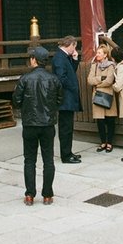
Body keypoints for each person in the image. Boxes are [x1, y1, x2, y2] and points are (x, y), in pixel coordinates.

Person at [12, 46, 62, 206]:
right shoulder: (54, 79)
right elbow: (59, 99)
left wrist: (26, 108)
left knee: (29, 160)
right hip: (47, 123)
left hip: (30, 123)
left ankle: (30, 194)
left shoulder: (25, 79)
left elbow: (16, 100)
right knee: (48, 160)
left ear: (34, 60)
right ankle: (47, 195)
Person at [52, 35, 82, 163]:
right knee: (65, 128)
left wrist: (75, 59)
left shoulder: (64, 57)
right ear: (70, 45)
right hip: (65, 98)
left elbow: (71, 72)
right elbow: (61, 78)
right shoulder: (59, 57)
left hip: (67, 97)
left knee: (68, 127)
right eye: (74, 47)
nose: (75, 50)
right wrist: (73, 86)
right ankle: (65, 155)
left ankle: (68, 152)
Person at [87, 43, 117, 153]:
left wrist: (97, 85)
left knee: (110, 120)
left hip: (108, 95)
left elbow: (109, 80)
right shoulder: (94, 66)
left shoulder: (111, 66)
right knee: (100, 121)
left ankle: (110, 143)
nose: (97, 54)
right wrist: (101, 78)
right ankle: (103, 142)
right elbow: (90, 80)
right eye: (97, 52)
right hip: (97, 96)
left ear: (105, 55)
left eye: (99, 53)